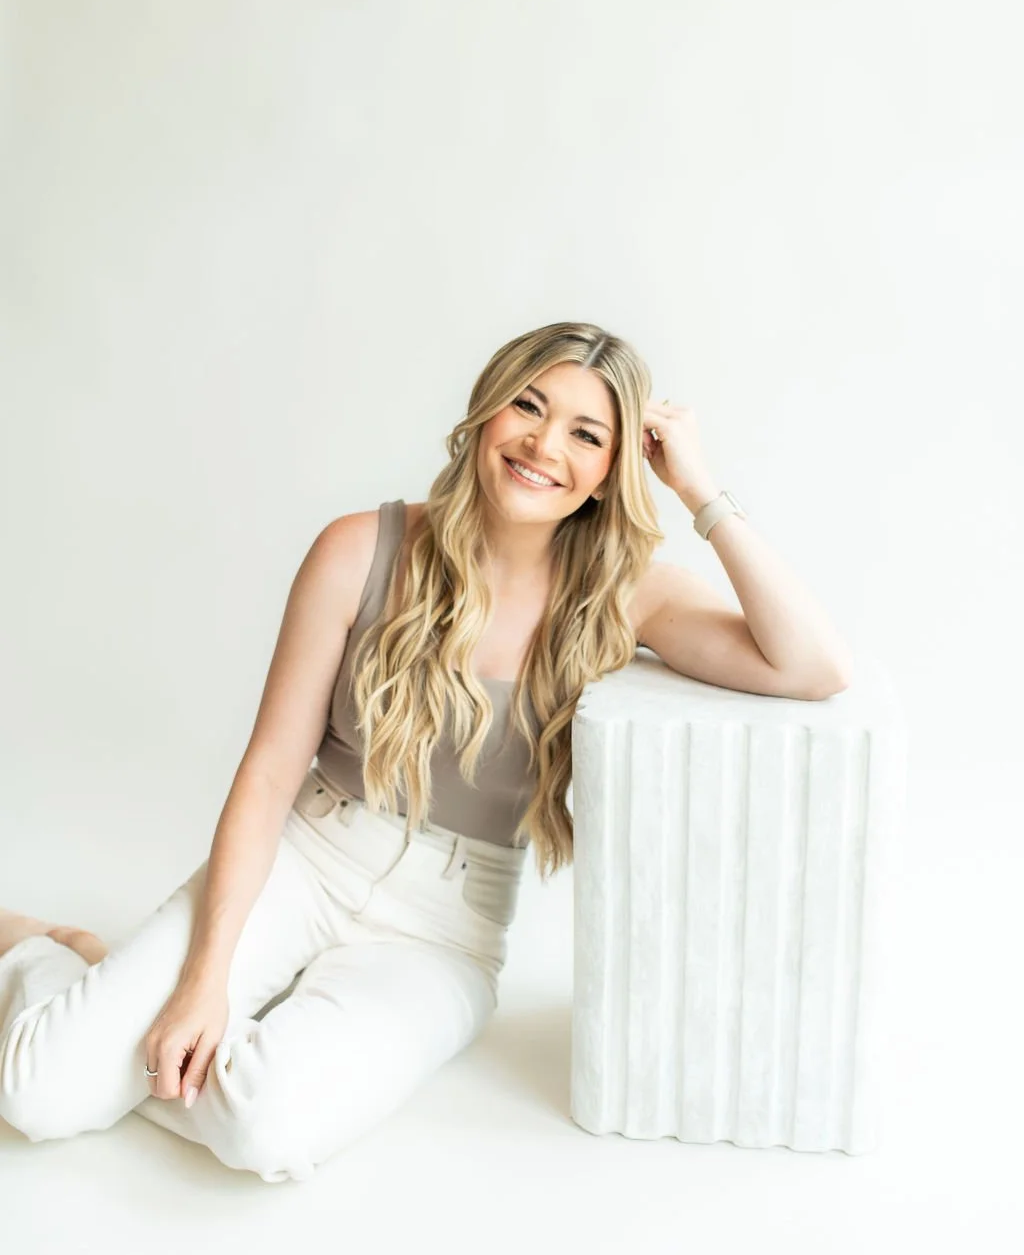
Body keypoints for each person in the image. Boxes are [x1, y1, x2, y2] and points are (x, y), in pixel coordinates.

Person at [0, 321, 852, 1183]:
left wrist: (699, 488)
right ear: (486, 411)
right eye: (528, 405)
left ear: (610, 470)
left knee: (268, 1132)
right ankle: (47, 954)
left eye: (586, 434)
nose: (542, 444)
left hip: (443, 931)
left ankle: (113, 1002)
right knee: (37, 1094)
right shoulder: (358, 548)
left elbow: (812, 665)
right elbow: (266, 772)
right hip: (303, 857)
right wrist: (204, 977)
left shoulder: (624, 594)